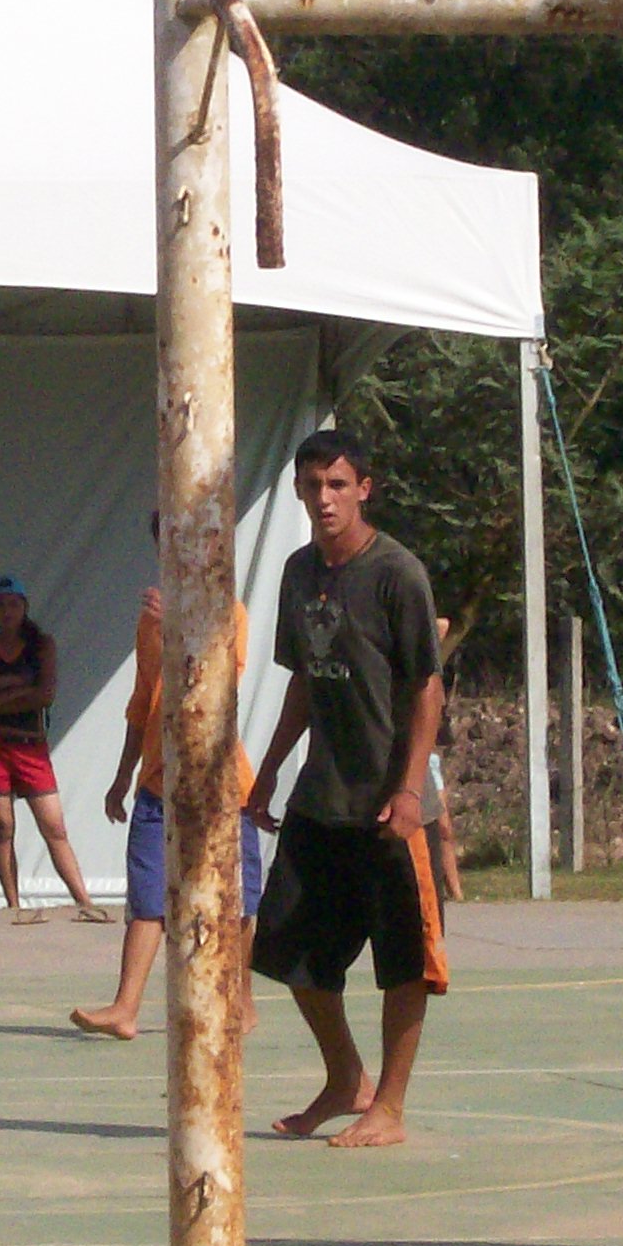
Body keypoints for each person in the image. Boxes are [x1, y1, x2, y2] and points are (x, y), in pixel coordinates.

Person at [244, 431, 447, 1147]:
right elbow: (304, 678)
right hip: (320, 797)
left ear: (364, 488)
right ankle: (344, 1080)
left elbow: (427, 689)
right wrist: (269, 767)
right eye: (312, 486)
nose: (324, 499)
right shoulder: (299, 574)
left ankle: (388, 1107)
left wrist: (411, 790)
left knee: (403, 962)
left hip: (391, 804)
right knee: (290, 950)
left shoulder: (397, 573)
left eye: (337, 484)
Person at [78, 533, 263, 1038]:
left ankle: (242, 1000)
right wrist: (123, 774)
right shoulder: (151, 620)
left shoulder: (230, 612)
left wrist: (179, 625)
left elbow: (219, 683)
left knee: (237, 900)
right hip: (159, 783)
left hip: (220, 784)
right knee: (147, 896)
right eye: (167, 545)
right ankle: (125, 1007)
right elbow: (144, 700)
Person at [0, 575, 103, 922]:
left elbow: (45, 695)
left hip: (30, 745)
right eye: (1, 605)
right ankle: (14, 905)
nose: (7, 612)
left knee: (54, 827)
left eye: (14, 604)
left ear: (24, 607)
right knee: (2, 826)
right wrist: (19, 694)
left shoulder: (41, 646)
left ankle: (84, 901)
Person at [422, 617, 465, 902]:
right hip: (415, 751)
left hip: (430, 753)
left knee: (445, 827)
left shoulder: (431, 653)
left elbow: (443, 625)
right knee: (438, 824)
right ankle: (432, 886)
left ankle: (456, 892)